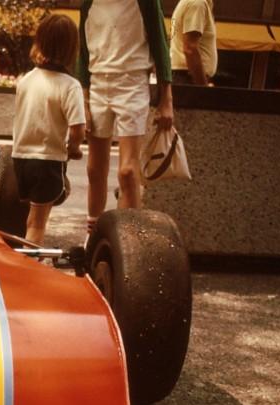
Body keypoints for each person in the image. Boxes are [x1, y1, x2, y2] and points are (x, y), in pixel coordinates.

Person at [78, 0, 173, 235]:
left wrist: (166, 99)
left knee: (128, 172)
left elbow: (161, 47)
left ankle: (129, 240)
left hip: (132, 83)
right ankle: (93, 236)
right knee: (94, 169)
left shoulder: (146, 2)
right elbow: (83, 52)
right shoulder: (88, 3)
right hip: (98, 83)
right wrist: (85, 100)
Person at [12, 14, 85, 246]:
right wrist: (73, 148)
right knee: (37, 224)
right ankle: (30, 269)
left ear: (39, 42)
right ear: (72, 48)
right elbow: (78, 129)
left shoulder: (26, 80)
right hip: (47, 160)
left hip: (20, 159)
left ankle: (26, 257)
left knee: (29, 218)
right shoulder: (70, 86)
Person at [170, 0, 217, 85]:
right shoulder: (197, 3)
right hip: (189, 79)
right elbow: (190, 48)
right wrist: (203, 87)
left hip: (186, 77)